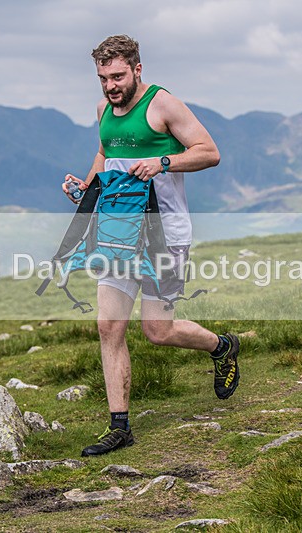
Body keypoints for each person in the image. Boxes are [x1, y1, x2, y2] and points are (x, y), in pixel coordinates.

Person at [62, 35, 240, 457]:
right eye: (103, 78)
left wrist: (163, 161)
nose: (111, 86)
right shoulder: (104, 110)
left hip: (165, 234)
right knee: (109, 326)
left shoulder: (163, 105)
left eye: (118, 76)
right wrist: (87, 185)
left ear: (137, 70)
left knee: (157, 331)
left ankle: (222, 346)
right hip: (119, 232)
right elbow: (105, 154)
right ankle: (120, 426)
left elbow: (209, 152)